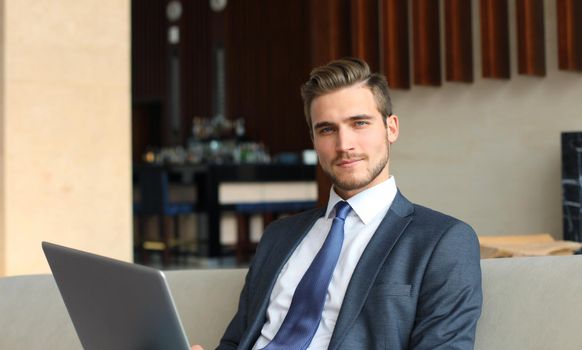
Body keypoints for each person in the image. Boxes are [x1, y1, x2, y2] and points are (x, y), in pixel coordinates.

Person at [193, 57, 482, 350]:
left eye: (359, 123)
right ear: (314, 139)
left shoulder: (442, 241)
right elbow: (235, 341)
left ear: (391, 128)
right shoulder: (278, 236)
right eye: (327, 130)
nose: (344, 145)